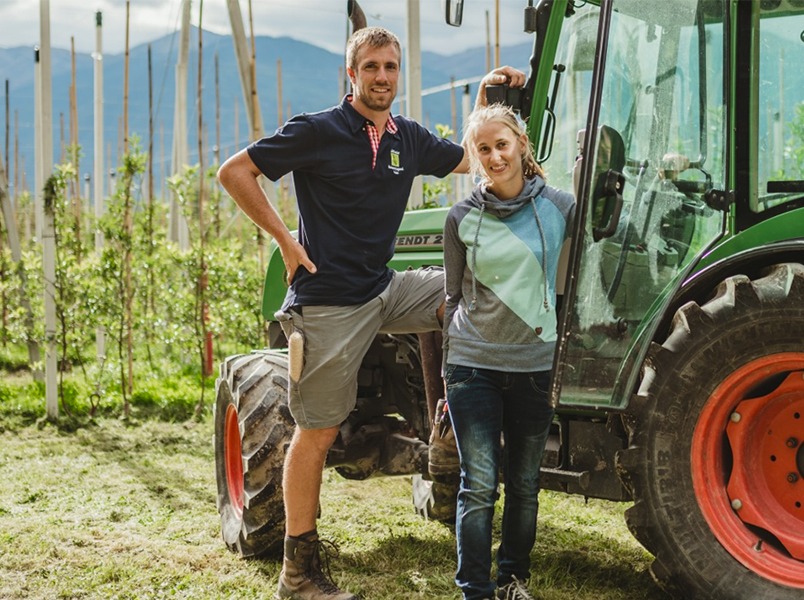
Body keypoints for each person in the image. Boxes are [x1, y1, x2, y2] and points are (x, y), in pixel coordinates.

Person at [217, 26, 525, 600]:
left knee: (464, 291)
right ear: (351, 73)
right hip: (330, 300)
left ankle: (450, 418)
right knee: (316, 432)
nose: (382, 77)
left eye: (390, 67)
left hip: (385, 287)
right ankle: (298, 574)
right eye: (371, 67)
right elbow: (234, 172)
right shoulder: (318, 130)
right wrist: (286, 241)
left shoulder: (407, 137)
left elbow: (469, 159)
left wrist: (486, 100)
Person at [442, 104, 575, 600]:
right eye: (484, 149)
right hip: (472, 366)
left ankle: (512, 581)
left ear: (521, 143)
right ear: (474, 157)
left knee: (524, 484)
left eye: (502, 144)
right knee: (478, 485)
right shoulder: (461, 218)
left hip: (535, 366)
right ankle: (475, 592)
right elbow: (452, 298)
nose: (495, 156)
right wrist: (446, 373)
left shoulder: (560, 208)